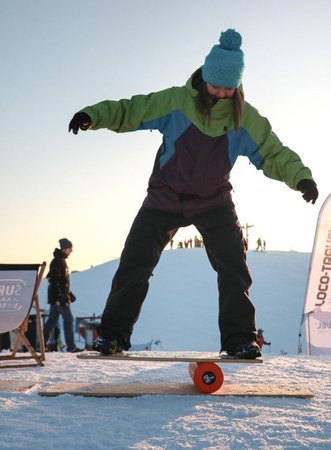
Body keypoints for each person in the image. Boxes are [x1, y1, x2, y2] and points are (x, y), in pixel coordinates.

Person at [69, 29, 318, 359]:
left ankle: (240, 338)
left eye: (230, 88)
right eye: (217, 85)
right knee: (135, 261)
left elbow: (273, 153)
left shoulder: (246, 118)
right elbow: (131, 110)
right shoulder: (175, 101)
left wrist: (301, 178)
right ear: (205, 78)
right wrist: (92, 115)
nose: (222, 93)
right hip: (165, 196)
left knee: (233, 265)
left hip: (213, 199)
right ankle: (113, 335)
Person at [43, 238, 83, 353]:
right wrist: (60, 297)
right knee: (68, 319)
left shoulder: (60, 261)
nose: (71, 251)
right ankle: (71, 347)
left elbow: (60, 282)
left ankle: (41, 346)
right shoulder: (58, 261)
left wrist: (69, 294)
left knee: (51, 322)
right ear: (65, 248)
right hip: (58, 299)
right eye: (70, 248)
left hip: (56, 297)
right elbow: (53, 280)